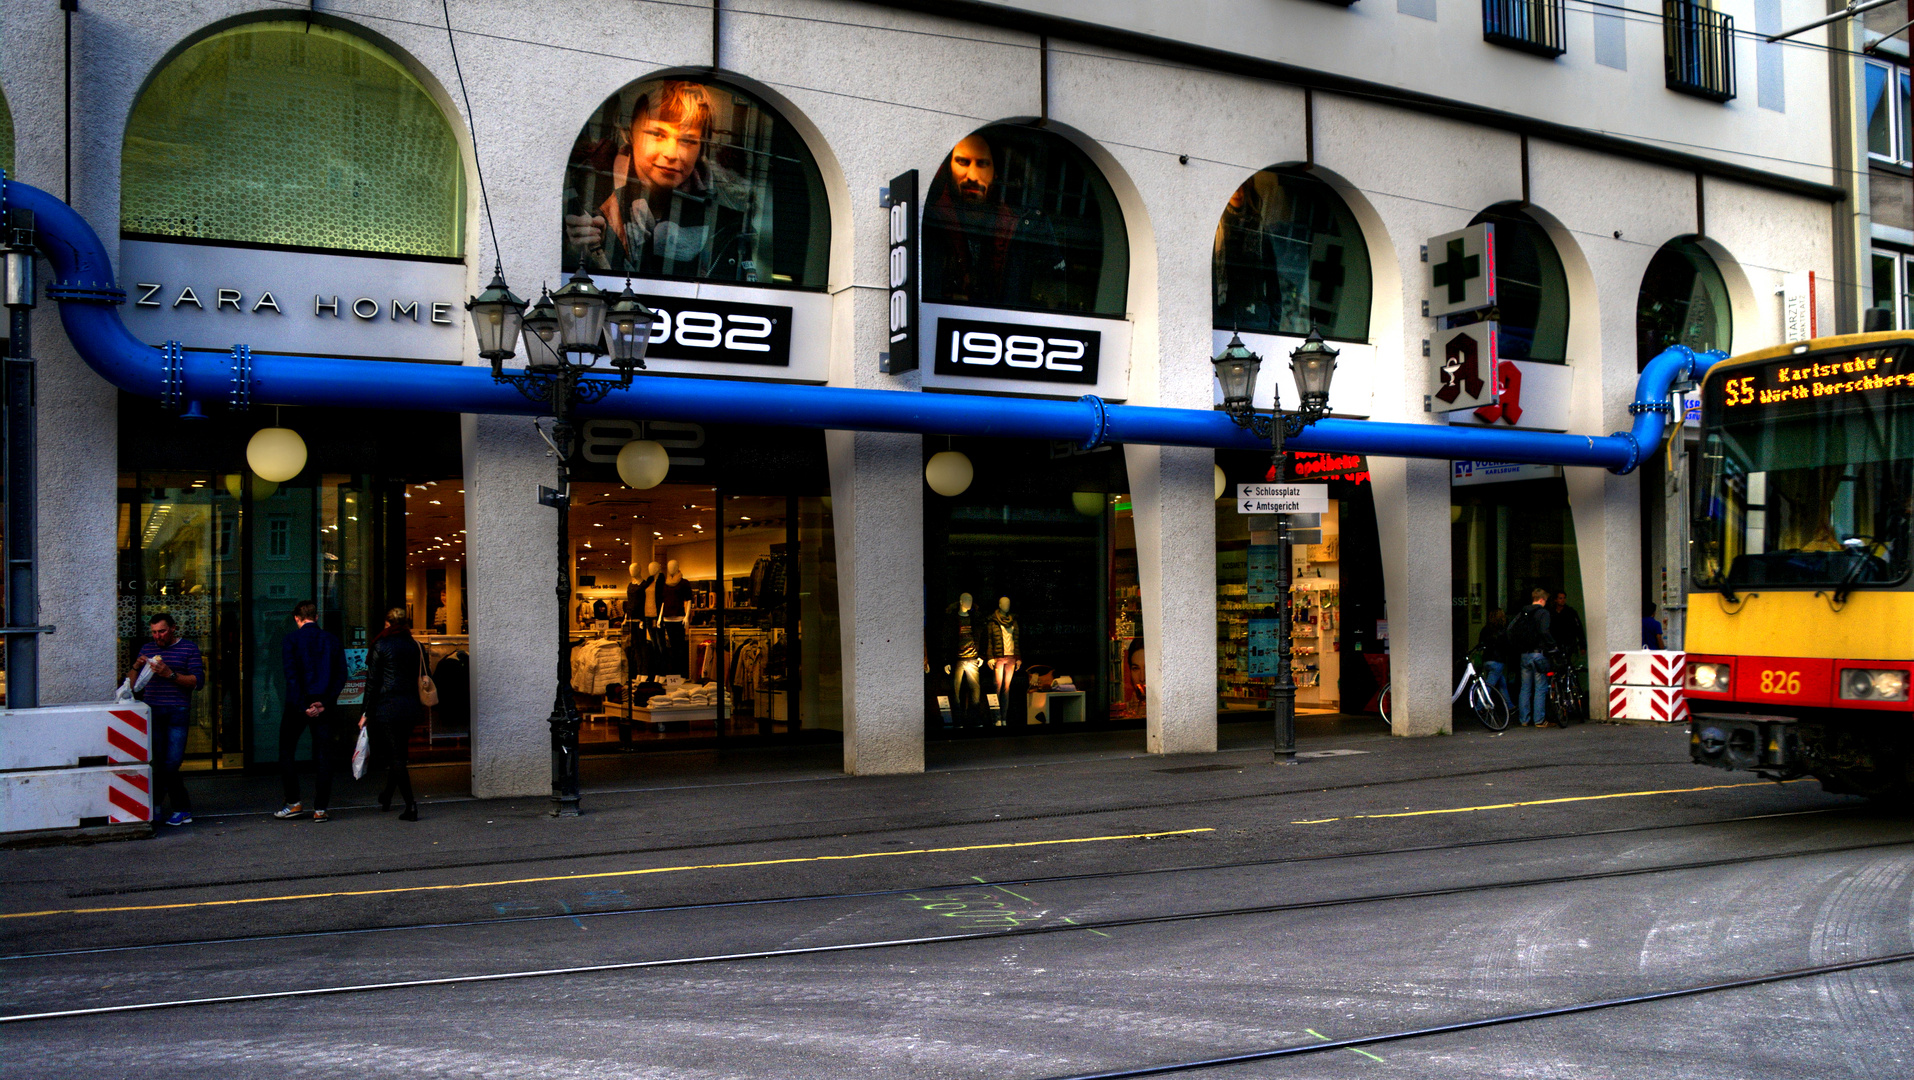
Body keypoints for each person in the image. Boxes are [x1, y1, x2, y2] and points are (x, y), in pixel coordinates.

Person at [563, 80, 751, 279]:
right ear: (629, 133)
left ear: (701, 147)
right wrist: (578, 252)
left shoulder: (730, 215)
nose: (672, 153)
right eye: (657, 134)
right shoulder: (585, 194)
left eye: (687, 140)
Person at [125, 614, 204, 826]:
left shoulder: (189, 648)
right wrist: (135, 666)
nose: (157, 636)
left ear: (173, 629)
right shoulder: (148, 649)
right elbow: (132, 686)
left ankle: (181, 808)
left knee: (171, 763)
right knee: (157, 762)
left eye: (162, 631)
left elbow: (198, 682)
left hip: (177, 710)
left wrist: (170, 674)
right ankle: (159, 806)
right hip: (153, 709)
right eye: (154, 632)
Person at [275, 601, 347, 823]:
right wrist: (324, 703)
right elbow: (341, 675)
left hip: (298, 704)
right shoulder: (331, 640)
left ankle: (294, 802)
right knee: (324, 755)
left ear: (297, 618)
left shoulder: (291, 640)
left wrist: (302, 705)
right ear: (316, 617)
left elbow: (291, 676)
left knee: (287, 751)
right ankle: (321, 808)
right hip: (323, 705)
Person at [361, 607, 424, 821]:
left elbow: (372, 682)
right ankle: (387, 796)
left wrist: (365, 712)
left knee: (396, 756)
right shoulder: (416, 646)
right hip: (411, 706)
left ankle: (411, 805)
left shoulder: (381, 644)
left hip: (387, 706)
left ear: (387, 624)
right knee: (399, 754)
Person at [1508, 588, 1553, 728]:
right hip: (1538, 653)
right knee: (1540, 687)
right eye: (1545, 600)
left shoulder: (1523, 612)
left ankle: (1524, 720)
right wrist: (1552, 645)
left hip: (1524, 654)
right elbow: (1544, 631)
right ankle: (1539, 720)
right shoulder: (1543, 613)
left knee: (1525, 688)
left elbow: (1510, 629)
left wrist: (1517, 646)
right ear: (1542, 599)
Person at [1475, 608, 1514, 708]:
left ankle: (1509, 705)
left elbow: (1481, 643)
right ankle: (1479, 706)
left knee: (1502, 684)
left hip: (1487, 660)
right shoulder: (1503, 630)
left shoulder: (1485, 629)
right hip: (1498, 661)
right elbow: (1507, 646)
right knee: (1489, 686)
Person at [1549, 592, 1585, 658]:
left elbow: (1579, 629)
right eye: (1560, 598)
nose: (1563, 600)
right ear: (1555, 600)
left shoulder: (1571, 612)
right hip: (1555, 643)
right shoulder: (1551, 612)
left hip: (1568, 643)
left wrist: (1582, 646)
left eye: (1564, 598)